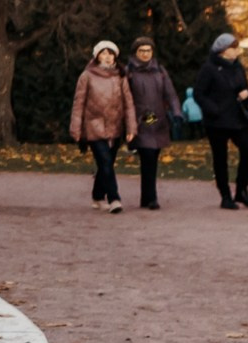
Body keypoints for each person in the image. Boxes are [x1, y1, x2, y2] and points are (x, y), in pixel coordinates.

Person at [194, 31, 248, 209]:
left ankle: (242, 190)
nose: (237, 50)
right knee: (220, 158)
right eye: (234, 47)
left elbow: (244, 90)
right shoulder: (209, 68)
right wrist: (214, 109)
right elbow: (199, 94)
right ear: (223, 51)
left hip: (238, 119)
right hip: (217, 122)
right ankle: (225, 195)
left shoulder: (238, 67)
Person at [70, 40, 135, 213]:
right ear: (97, 56)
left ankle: (98, 196)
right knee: (105, 162)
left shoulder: (120, 76)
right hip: (94, 126)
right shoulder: (87, 76)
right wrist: (75, 129)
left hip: (115, 127)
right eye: (103, 53)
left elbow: (128, 104)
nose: (107, 57)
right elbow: (79, 103)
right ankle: (114, 198)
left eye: (110, 53)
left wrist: (131, 128)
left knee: (106, 164)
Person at [124, 36, 182, 210]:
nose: (145, 54)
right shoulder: (129, 72)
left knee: (153, 157)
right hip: (140, 120)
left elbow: (170, 94)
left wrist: (177, 112)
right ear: (136, 53)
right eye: (141, 51)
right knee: (147, 156)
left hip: (157, 120)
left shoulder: (160, 71)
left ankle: (146, 197)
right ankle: (151, 198)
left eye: (148, 51)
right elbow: (124, 98)